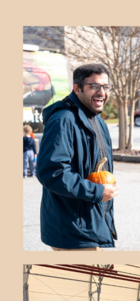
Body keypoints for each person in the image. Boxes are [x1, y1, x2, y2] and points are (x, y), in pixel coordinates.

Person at [36, 63, 118, 251]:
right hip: (72, 230)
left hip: (92, 225)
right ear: (77, 88)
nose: (101, 92)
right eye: (94, 86)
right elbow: (52, 172)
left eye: (106, 87)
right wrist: (97, 192)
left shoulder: (99, 122)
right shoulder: (63, 120)